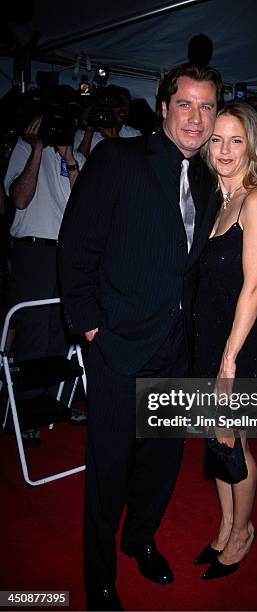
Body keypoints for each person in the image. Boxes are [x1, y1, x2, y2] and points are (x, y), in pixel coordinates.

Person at [58, 63, 225, 610]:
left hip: (177, 346)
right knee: (108, 470)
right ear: (163, 108)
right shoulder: (119, 160)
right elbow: (76, 246)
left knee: (160, 463)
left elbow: (200, 261)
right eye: (186, 104)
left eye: (206, 107)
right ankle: (98, 576)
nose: (196, 118)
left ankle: (141, 540)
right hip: (119, 343)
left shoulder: (208, 178)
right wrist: (88, 324)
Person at [193, 101, 257, 580]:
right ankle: (226, 525)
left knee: (236, 443)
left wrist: (228, 361)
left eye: (236, 140)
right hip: (208, 339)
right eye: (217, 139)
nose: (224, 150)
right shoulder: (216, 199)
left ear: (252, 147)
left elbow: (251, 285)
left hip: (235, 346)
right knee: (216, 439)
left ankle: (243, 532)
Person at [3, 114, 86, 445]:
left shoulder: (74, 157)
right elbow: (20, 199)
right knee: (34, 332)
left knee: (60, 333)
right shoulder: (24, 149)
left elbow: (84, 205)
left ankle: (52, 403)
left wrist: (68, 157)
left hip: (65, 252)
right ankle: (23, 412)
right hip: (33, 251)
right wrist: (38, 149)